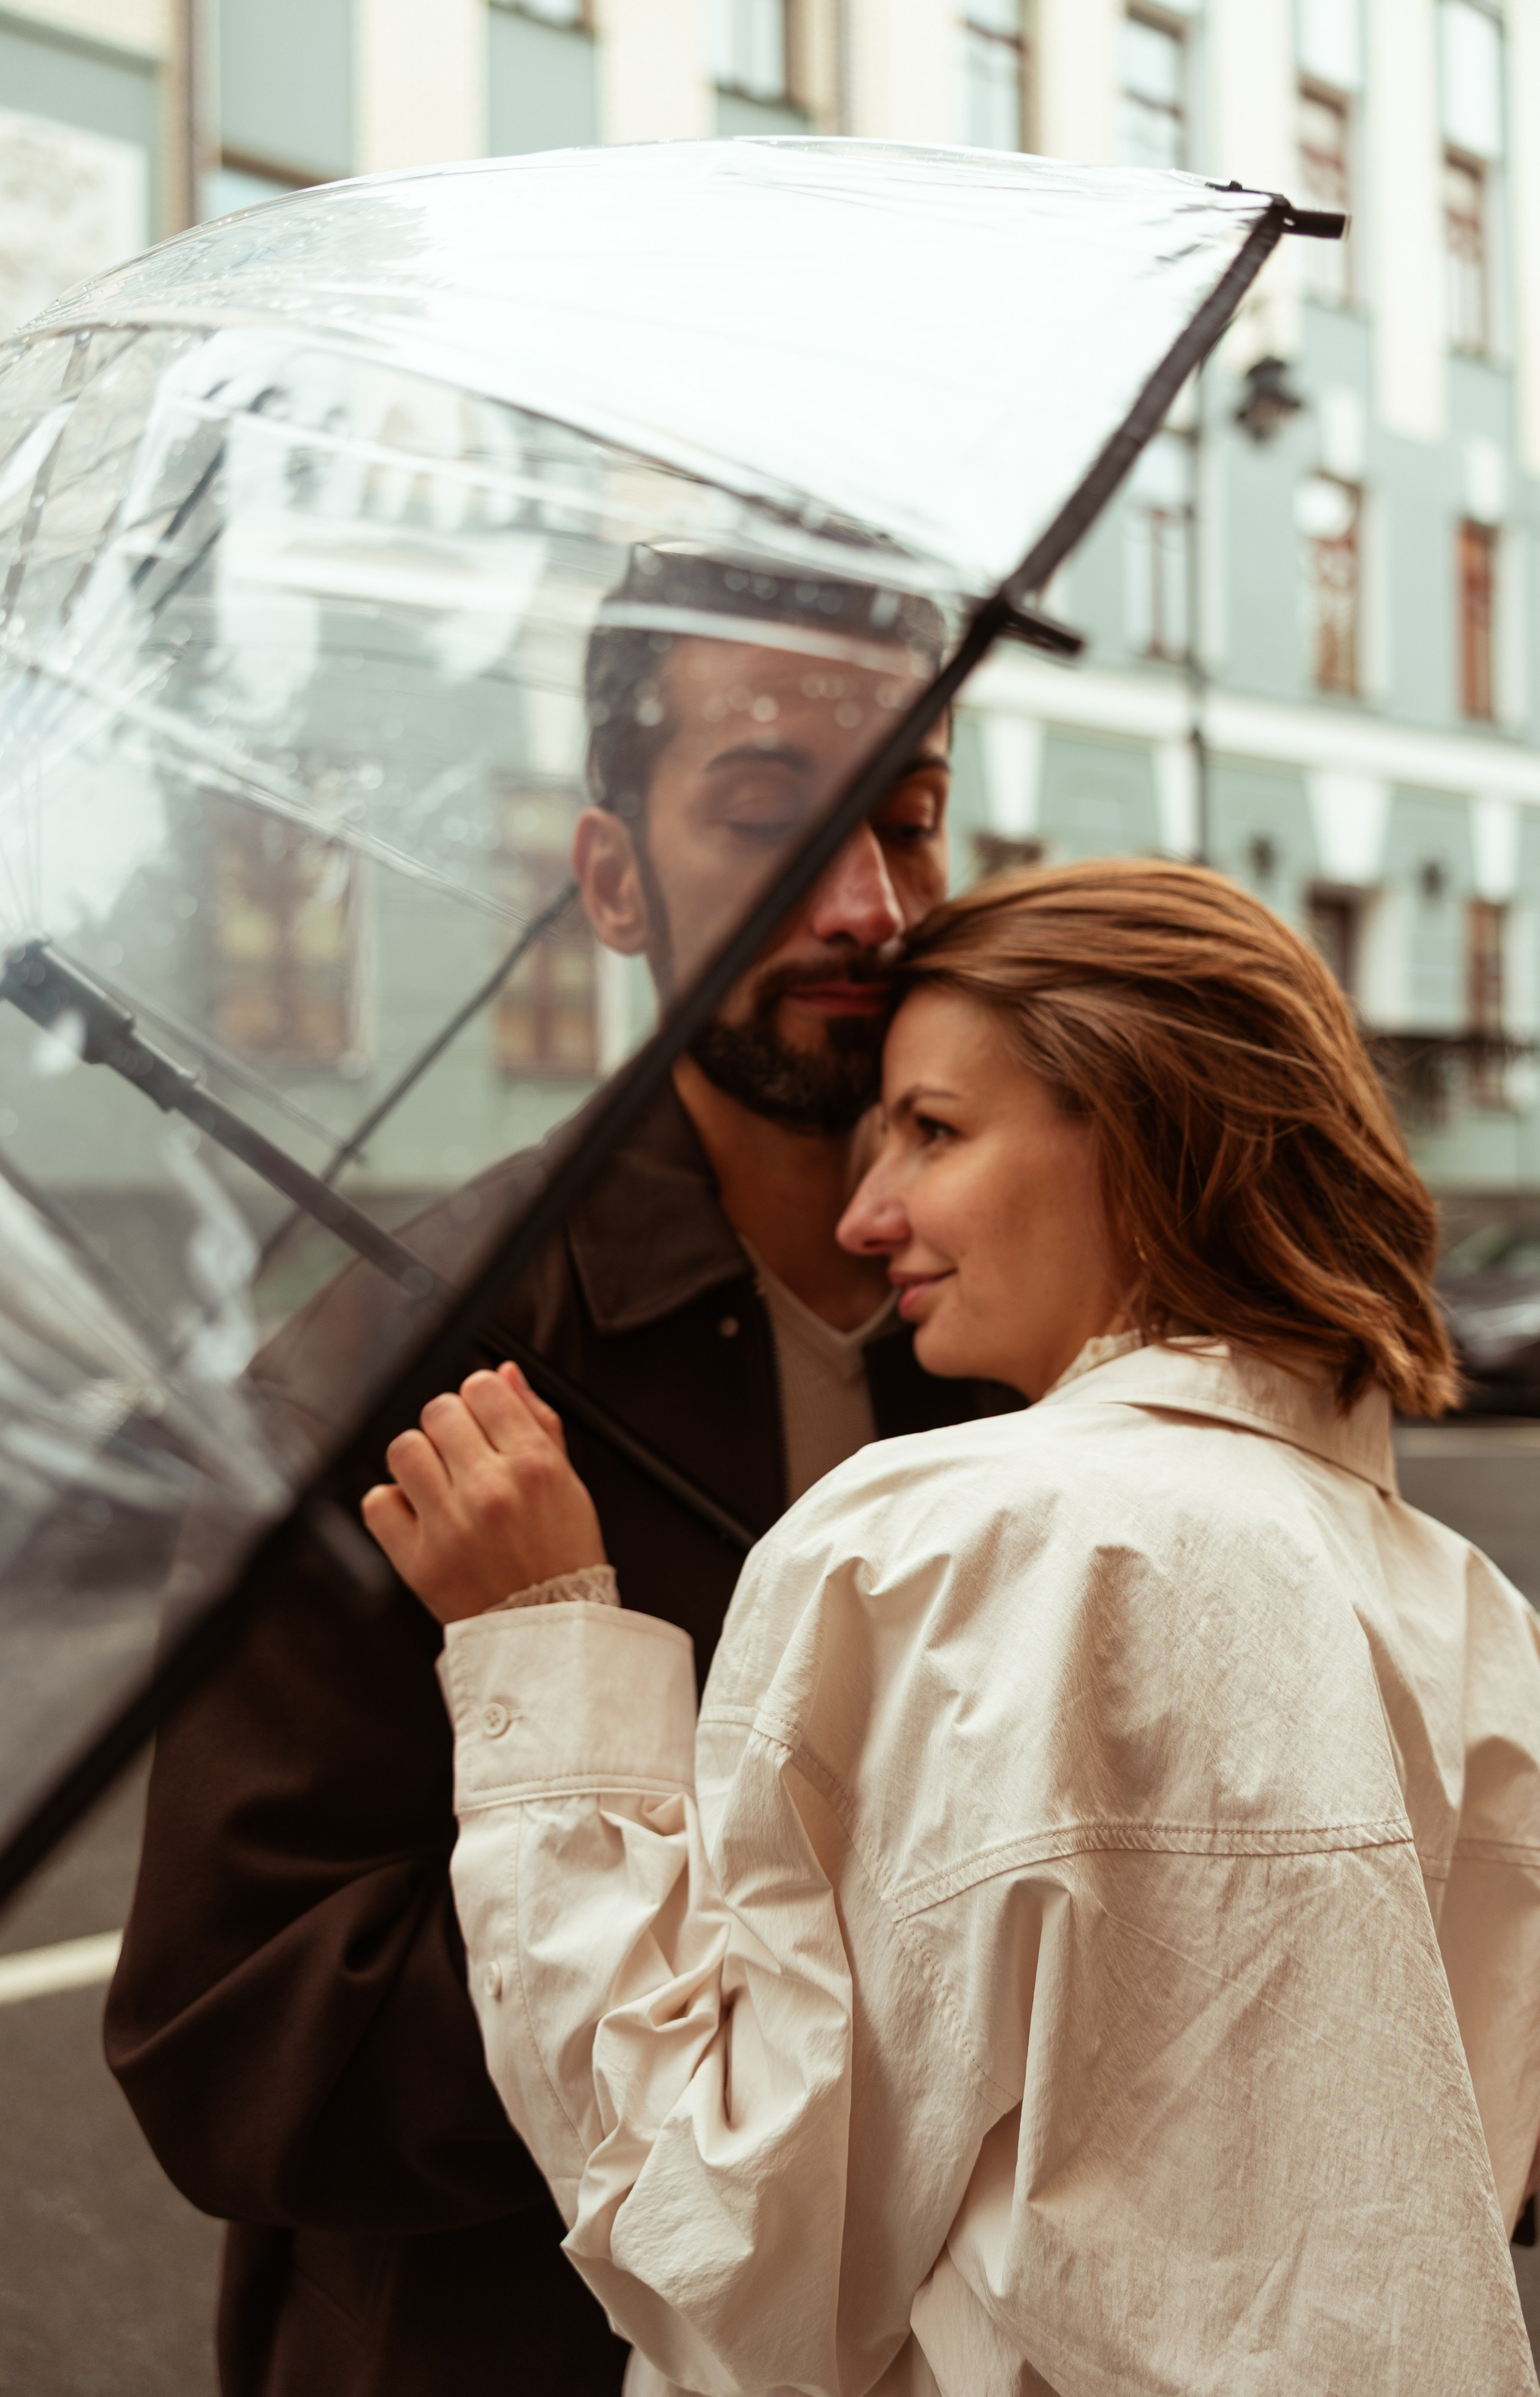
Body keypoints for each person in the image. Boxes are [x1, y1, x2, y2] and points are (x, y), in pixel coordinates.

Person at [373, 859, 1540, 2395]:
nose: (868, 1216)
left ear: (1138, 1123)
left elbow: (730, 2265)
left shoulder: (938, 1540)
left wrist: (538, 1636)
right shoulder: (1465, 1616)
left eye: (930, 1130)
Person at [105, 552, 1013, 2397]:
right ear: (611, 880)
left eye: (913, 825)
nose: (870, 905)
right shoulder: (395, 1382)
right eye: (777, 811)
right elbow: (237, 2043)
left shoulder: (1045, 1349)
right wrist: (763, 1911)